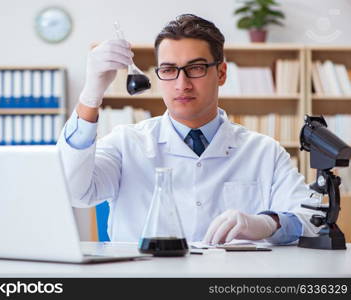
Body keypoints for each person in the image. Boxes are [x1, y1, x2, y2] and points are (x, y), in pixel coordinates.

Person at [57, 14, 320, 245]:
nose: (182, 84)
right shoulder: (126, 143)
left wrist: (268, 223)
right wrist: (90, 97)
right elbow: (74, 191)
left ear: (221, 73)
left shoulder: (264, 151)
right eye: (169, 70)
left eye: (195, 68)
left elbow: (311, 219)